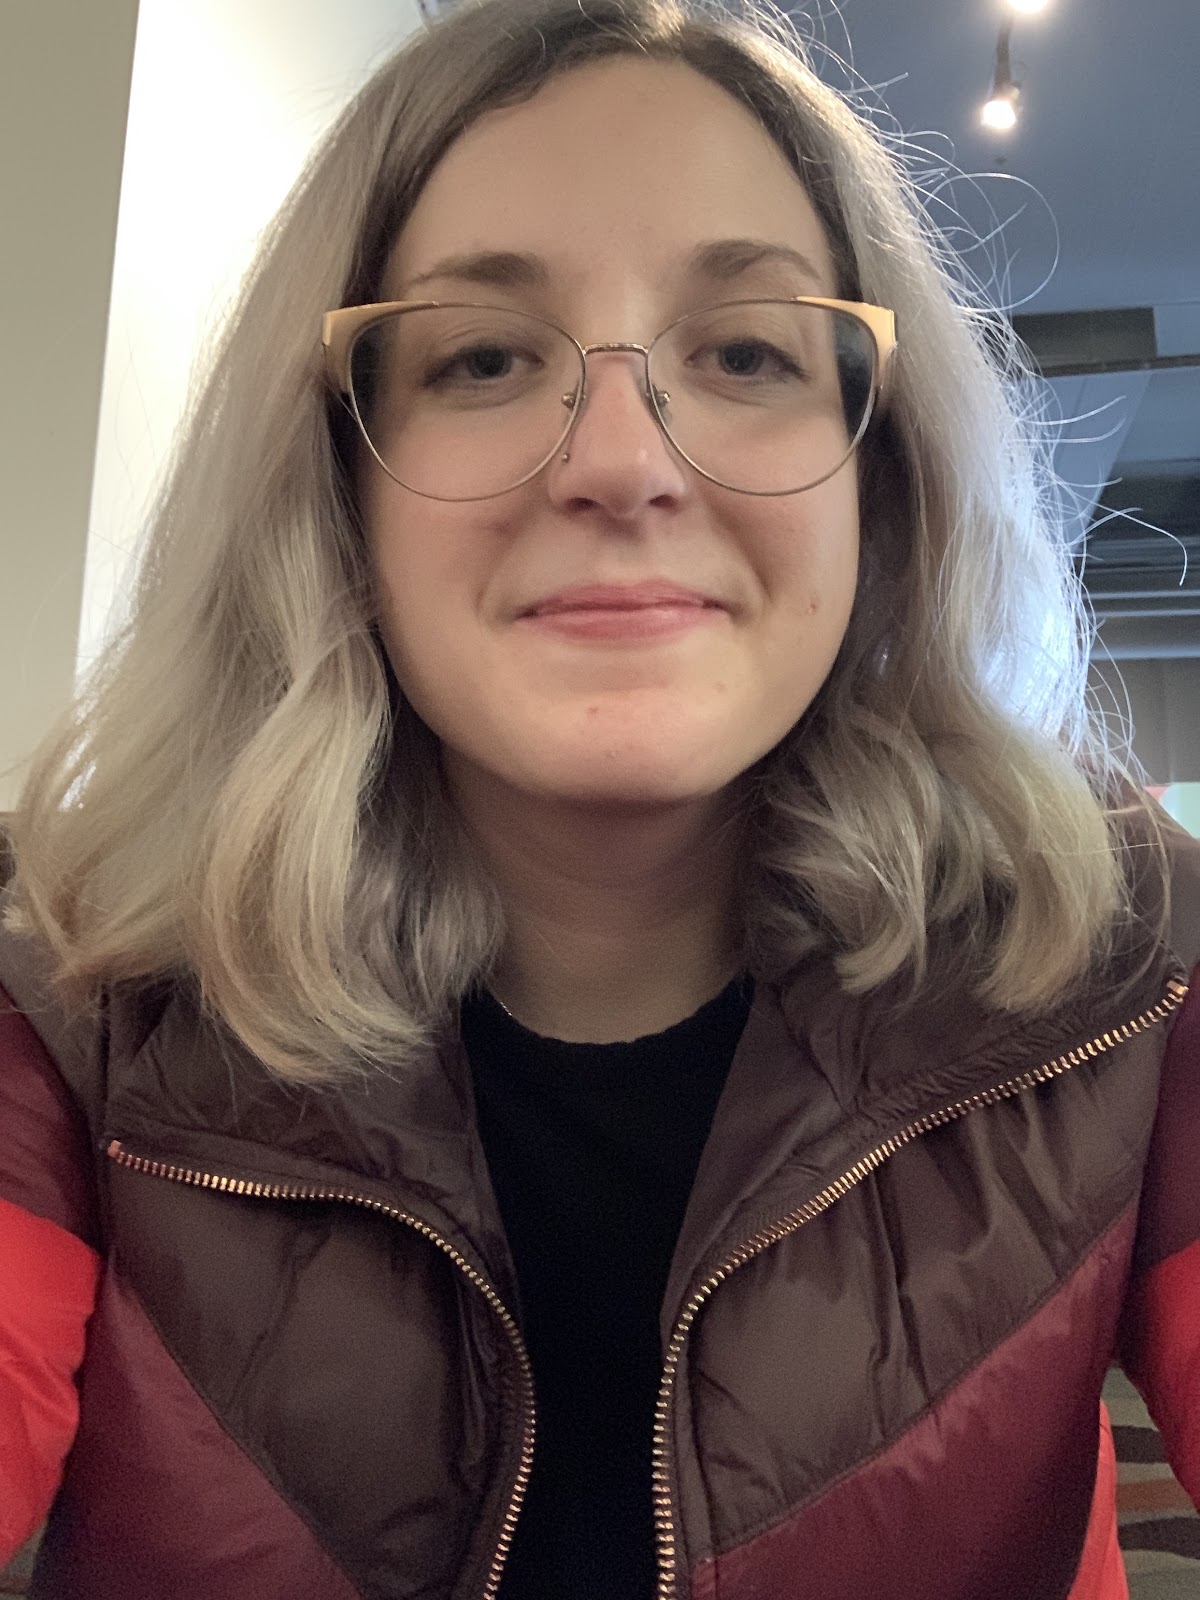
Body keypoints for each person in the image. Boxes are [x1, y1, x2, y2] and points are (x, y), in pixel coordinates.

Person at [1, 0, 1197, 1593]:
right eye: (485, 357)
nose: (624, 463)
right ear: (335, 480)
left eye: (748, 352)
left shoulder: (1132, 964)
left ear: (881, 476)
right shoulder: (69, 997)